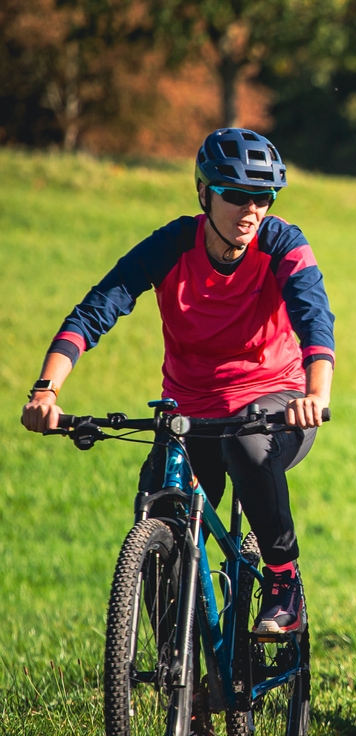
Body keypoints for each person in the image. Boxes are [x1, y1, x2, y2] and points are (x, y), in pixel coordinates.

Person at [21, 129, 335, 636]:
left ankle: (283, 580)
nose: (250, 210)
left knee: (249, 447)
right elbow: (95, 311)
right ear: (204, 193)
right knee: (161, 509)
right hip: (191, 413)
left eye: (263, 197)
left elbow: (314, 318)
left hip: (274, 406)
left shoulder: (282, 245)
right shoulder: (171, 246)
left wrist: (315, 393)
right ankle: (183, 686)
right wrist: (46, 390)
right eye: (235, 195)